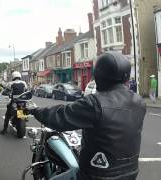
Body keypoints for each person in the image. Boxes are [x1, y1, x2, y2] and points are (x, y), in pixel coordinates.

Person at [28, 52, 146, 180]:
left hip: (96, 175)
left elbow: (60, 117)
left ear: (99, 75)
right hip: (131, 173)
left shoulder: (94, 103)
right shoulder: (140, 102)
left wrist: (35, 110)